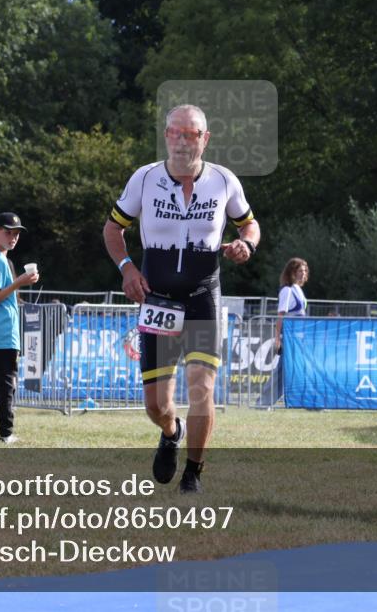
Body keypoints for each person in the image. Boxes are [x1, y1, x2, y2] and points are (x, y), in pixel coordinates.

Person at [103, 104, 260, 494]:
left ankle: (193, 473)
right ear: (166, 135)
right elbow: (112, 228)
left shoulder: (224, 181)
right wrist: (126, 268)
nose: (181, 141)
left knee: (201, 386)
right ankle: (172, 432)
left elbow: (250, 225)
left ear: (205, 140)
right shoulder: (144, 179)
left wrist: (246, 245)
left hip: (202, 297)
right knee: (156, 405)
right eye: (174, 132)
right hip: (156, 299)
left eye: (190, 134)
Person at [0, 212, 40, 444]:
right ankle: (5, 433)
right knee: (5, 385)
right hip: (2, 332)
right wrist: (19, 282)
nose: (12, 237)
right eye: (7, 232)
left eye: (16, 234)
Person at [274, 258, 309, 352]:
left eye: (305, 270)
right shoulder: (287, 290)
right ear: (292, 272)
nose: (304, 273)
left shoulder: (298, 288)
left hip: (299, 335)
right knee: (285, 364)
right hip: (289, 335)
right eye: (300, 271)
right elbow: (280, 315)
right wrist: (277, 339)